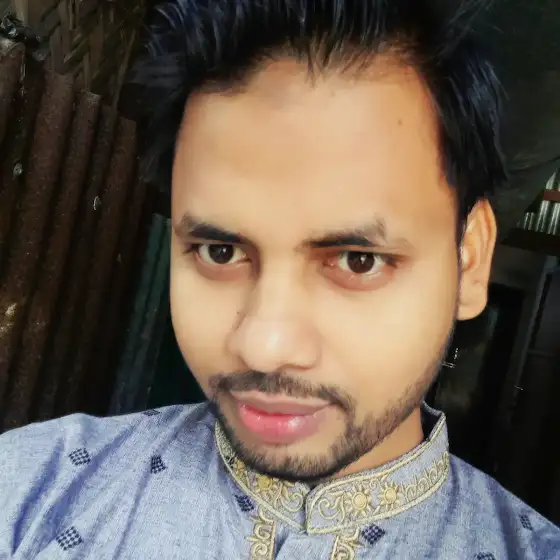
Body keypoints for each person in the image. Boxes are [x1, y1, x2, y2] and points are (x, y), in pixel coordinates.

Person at [1, 0, 559, 558]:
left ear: (469, 261)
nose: (263, 348)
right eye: (220, 252)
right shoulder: (33, 489)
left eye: (357, 260)